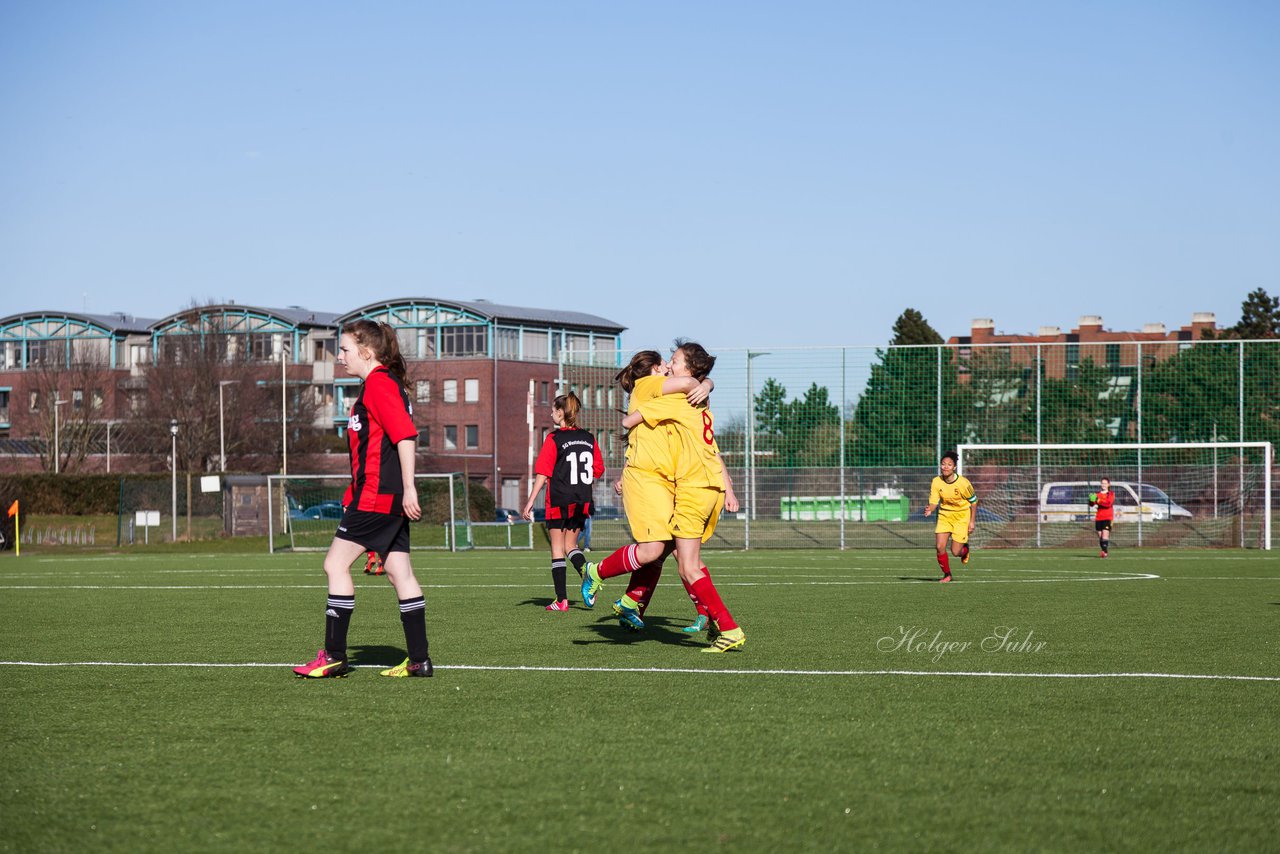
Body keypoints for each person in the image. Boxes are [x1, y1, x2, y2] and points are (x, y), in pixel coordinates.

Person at [292, 320, 432, 679]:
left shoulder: (379, 386)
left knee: (334, 566)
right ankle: (419, 660)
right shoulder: (379, 385)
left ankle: (334, 656)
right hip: (382, 497)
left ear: (366, 352)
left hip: (376, 498)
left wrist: (409, 487)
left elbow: (404, 437)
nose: (340, 356)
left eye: (345, 350)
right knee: (399, 572)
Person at [615, 340, 744, 652]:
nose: (669, 366)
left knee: (684, 564)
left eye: (674, 360)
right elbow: (711, 449)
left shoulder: (676, 400)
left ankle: (729, 628)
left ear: (687, 370)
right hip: (711, 487)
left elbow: (627, 422)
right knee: (678, 553)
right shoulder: (701, 403)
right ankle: (704, 617)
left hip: (693, 489)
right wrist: (729, 488)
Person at [578, 350, 706, 626]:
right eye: (667, 364)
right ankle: (596, 572)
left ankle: (632, 605)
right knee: (652, 550)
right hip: (648, 480)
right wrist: (704, 385)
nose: (671, 367)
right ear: (656, 368)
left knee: (672, 547)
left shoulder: (660, 395)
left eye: (674, 362)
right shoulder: (647, 384)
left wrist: (707, 385)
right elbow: (687, 384)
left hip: (664, 480)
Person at [521, 392, 604, 611]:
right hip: (582, 499)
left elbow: (542, 472)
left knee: (558, 548)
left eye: (553, 410)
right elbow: (598, 469)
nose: (551, 413)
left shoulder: (553, 438)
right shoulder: (589, 437)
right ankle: (589, 575)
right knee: (571, 546)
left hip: (559, 498)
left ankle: (561, 600)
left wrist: (530, 501)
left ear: (561, 413)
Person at [922, 451, 977, 583]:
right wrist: (930, 509)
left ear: (954, 467)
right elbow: (934, 501)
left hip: (961, 517)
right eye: (943, 464)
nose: (945, 467)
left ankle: (965, 550)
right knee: (940, 546)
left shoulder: (963, 483)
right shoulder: (936, 481)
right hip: (944, 515)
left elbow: (974, 501)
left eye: (949, 464)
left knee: (955, 552)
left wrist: (972, 522)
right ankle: (947, 574)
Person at [1089, 478, 1114, 558]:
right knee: (1100, 537)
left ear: (1108, 484)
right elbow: (1091, 504)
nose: (1103, 485)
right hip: (1099, 518)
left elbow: (1108, 504)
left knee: (1105, 535)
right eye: (1102, 483)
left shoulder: (1110, 494)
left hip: (1108, 517)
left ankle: (1104, 552)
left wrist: (1098, 500)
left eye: (1105, 483)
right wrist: (1091, 500)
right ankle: (1104, 550)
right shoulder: (1097, 494)